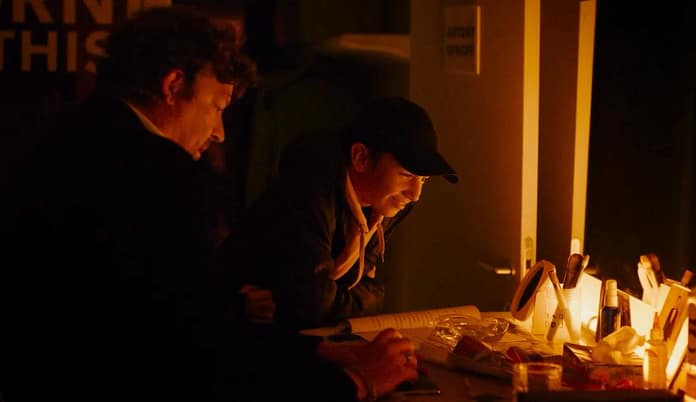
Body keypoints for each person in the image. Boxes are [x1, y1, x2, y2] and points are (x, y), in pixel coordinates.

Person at [0, 6, 418, 402]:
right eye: (216, 106)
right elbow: (195, 348)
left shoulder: (67, 134)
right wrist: (354, 383)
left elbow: (167, 311)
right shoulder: (159, 171)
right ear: (172, 85)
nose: (219, 132)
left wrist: (315, 351)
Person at [216, 97, 459, 330]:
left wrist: (346, 297)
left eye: (424, 180)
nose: (415, 194)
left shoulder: (386, 203)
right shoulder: (312, 188)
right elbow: (312, 305)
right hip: (234, 326)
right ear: (361, 158)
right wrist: (349, 299)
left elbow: (366, 291)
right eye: (407, 175)